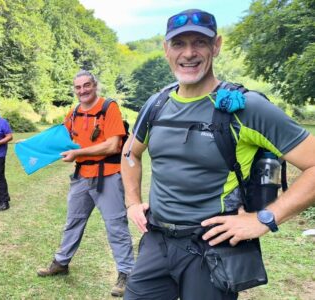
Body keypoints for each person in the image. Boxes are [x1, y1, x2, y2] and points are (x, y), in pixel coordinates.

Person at [122, 9, 315, 299]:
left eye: (199, 42)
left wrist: (263, 218)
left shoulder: (247, 108)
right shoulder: (156, 103)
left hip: (212, 248)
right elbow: (130, 154)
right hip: (157, 242)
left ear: (216, 46)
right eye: (178, 44)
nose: (188, 53)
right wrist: (132, 203)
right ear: (166, 50)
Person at [37, 70, 134, 298]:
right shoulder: (74, 113)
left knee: (115, 225)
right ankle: (61, 263)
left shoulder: (109, 108)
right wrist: (32, 145)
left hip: (107, 175)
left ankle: (127, 273)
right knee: (73, 221)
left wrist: (78, 152)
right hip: (81, 176)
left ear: (95, 85)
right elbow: (59, 138)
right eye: (78, 87)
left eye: (87, 85)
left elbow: (112, 146)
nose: (83, 90)